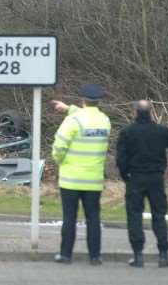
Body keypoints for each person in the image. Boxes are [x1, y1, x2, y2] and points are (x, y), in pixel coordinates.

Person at [116, 100, 168, 268]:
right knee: (159, 215)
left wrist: (126, 176)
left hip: (136, 177)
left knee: (134, 215)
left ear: (135, 112)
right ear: (151, 112)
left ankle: (138, 254)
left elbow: (121, 159)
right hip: (156, 178)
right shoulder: (161, 131)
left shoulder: (128, 132)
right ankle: (163, 255)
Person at [51, 84, 111, 265]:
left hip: (71, 179)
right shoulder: (105, 121)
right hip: (93, 180)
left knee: (69, 218)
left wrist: (60, 161)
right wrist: (69, 109)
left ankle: (66, 255)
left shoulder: (73, 121)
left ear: (82, 100)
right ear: (97, 101)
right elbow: (88, 118)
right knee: (93, 218)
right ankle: (95, 256)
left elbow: (59, 147)